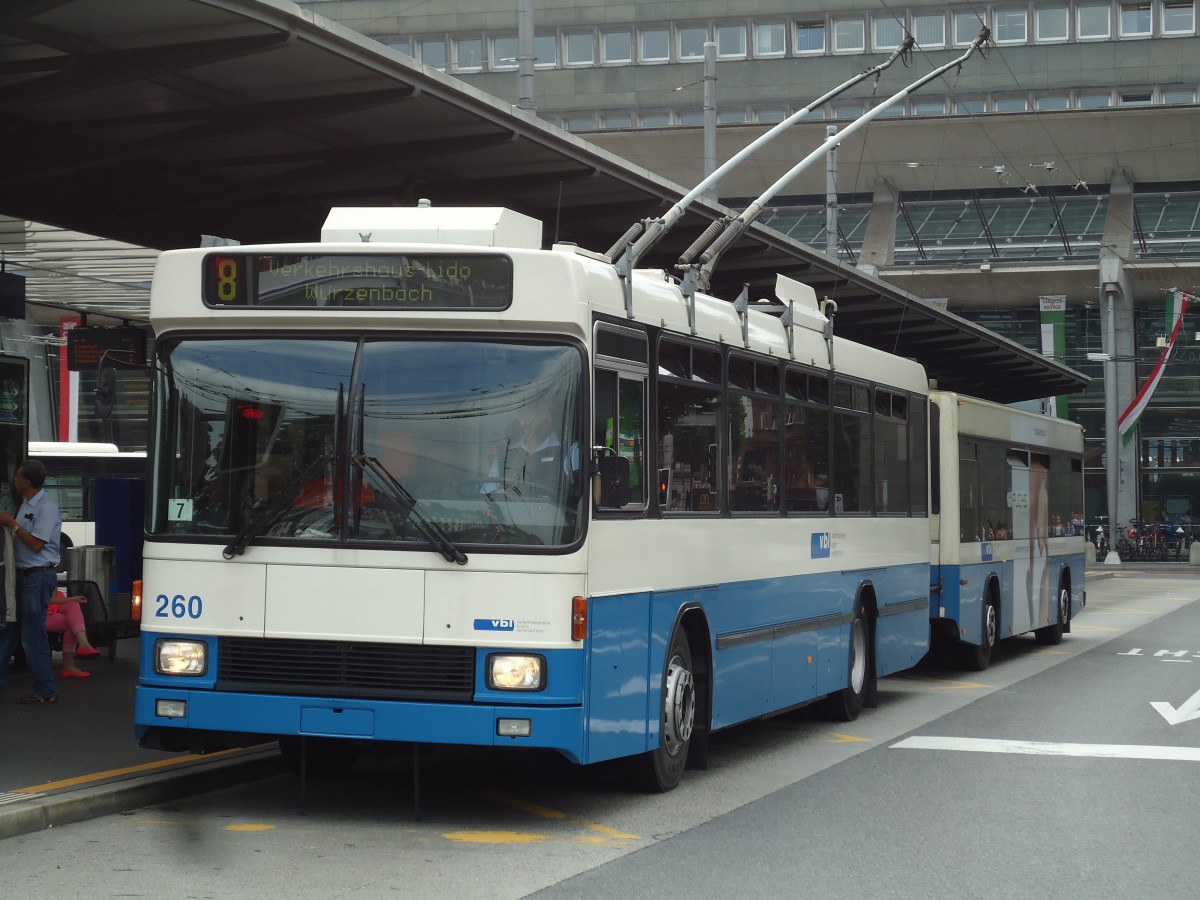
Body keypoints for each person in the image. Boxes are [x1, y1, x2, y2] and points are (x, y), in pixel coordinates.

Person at [0, 459, 64, 704]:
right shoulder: (27, 503)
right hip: (22, 576)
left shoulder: (46, 507)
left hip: (36, 576)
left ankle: (46, 690)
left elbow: (37, 545)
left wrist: (13, 525)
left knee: (32, 636)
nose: (14, 480)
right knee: (9, 630)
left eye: (17, 476)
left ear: (27, 481)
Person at [45, 594, 100, 678]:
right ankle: (69, 665)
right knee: (73, 622)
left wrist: (72, 600)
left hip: (52, 610)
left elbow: (52, 598)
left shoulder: (50, 580)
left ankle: (83, 644)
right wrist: (72, 598)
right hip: (39, 613)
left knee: (73, 605)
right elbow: (44, 599)